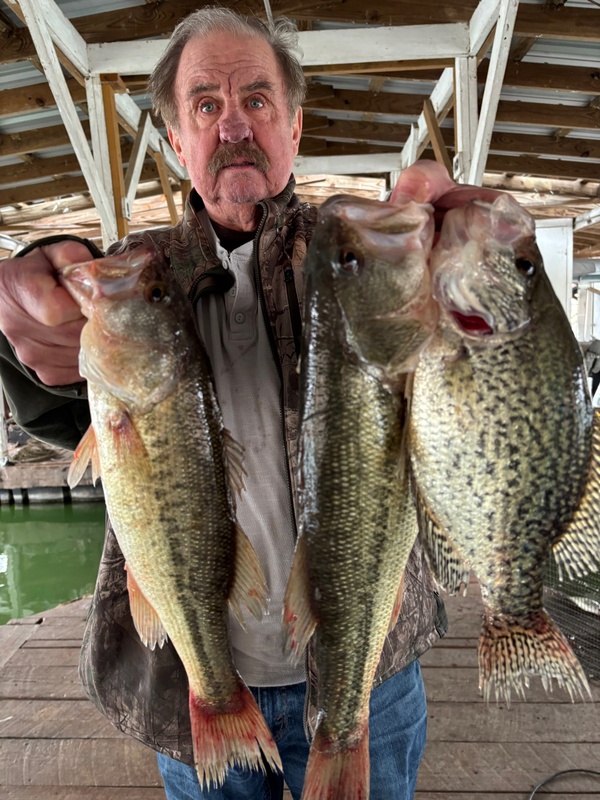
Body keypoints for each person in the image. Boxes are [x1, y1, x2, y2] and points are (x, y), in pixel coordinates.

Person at [0, 7, 499, 799]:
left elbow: (464, 385)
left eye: (256, 100)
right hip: (195, 685)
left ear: (294, 130)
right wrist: (30, 324)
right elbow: (60, 398)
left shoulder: (360, 261)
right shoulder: (137, 272)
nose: (233, 124)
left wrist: (478, 266)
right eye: (206, 104)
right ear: (175, 141)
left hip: (371, 674)